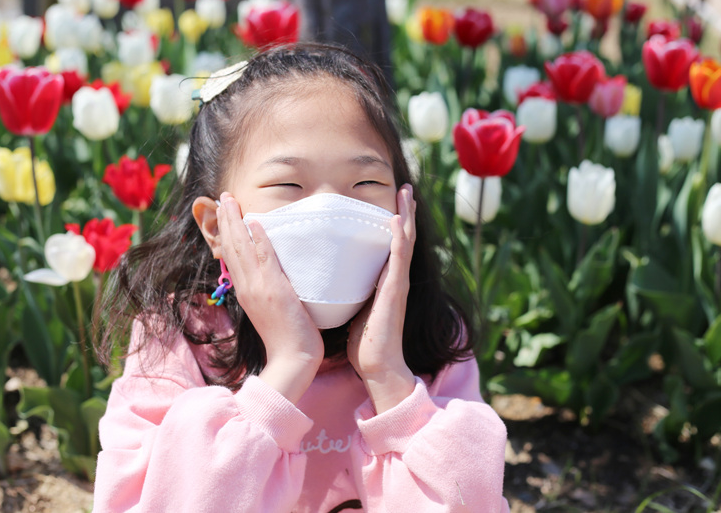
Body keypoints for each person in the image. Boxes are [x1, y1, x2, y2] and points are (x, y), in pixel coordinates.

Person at [92, 43, 510, 513]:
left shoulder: (434, 339)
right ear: (216, 227)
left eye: (366, 184)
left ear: (403, 205)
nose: (330, 211)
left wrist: (390, 379)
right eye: (288, 185)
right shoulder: (180, 338)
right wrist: (288, 368)